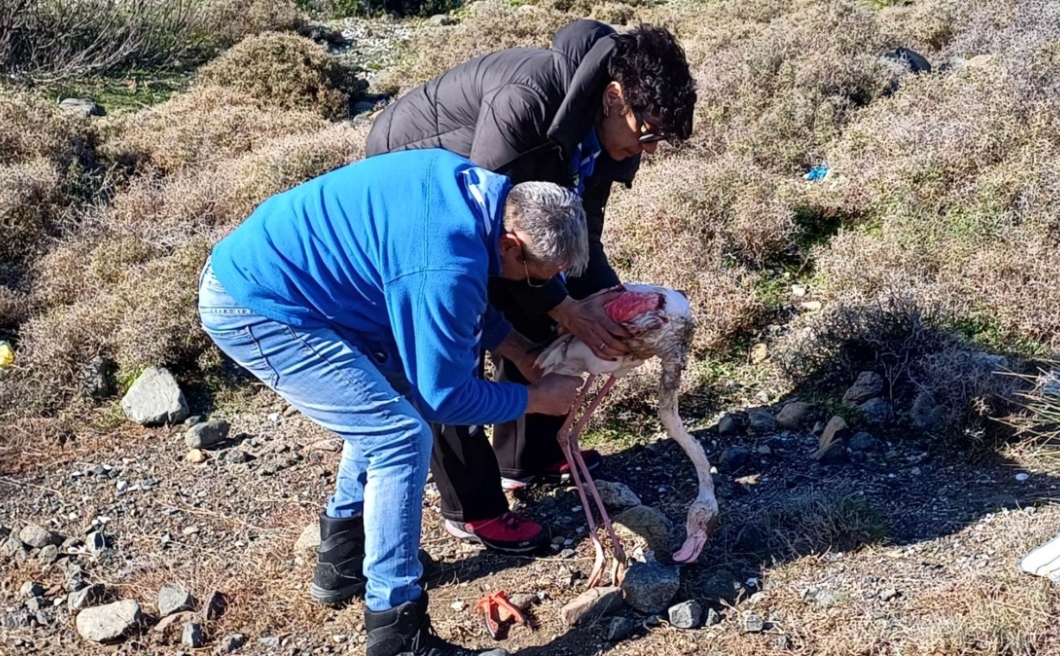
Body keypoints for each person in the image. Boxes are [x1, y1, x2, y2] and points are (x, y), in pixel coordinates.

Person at [198, 148, 588, 656]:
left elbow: (461, 301)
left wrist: (520, 350)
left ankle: (343, 558)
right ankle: (398, 632)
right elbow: (444, 395)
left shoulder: (475, 194)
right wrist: (533, 400)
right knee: (400, 436)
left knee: (390, 406)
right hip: (259, 305)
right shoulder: (446, 258)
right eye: (538, 275)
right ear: (512, 244)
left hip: (294, 283)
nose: (537, 285)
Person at [363, 18, 697, 561]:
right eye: (650, 134)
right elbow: (495, 239)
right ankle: (473, 510)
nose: (650, 150)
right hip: (419, 182)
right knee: (455, 337)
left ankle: (530, 455)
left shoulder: (610, 132)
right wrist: (565, 308)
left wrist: (601, 302)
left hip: (499, 211)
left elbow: (578, 228)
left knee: (547, 299)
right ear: (616, 98)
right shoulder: (528, 104)